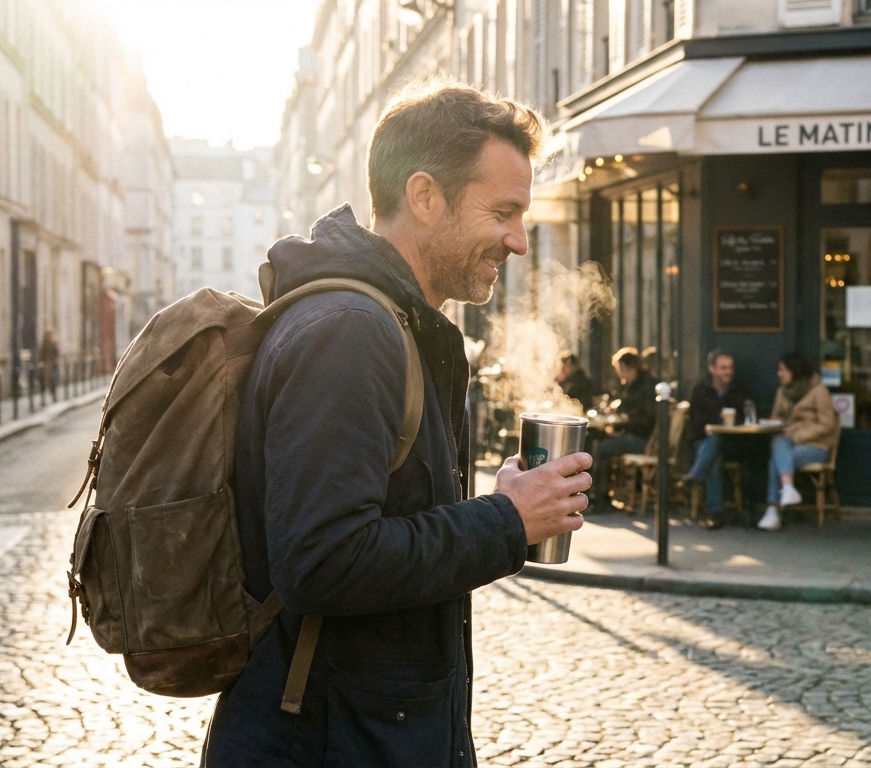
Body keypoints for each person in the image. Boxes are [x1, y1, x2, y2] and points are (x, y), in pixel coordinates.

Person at [203, 80, 591, 767]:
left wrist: (502, 509)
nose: (518, 241)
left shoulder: (397, 326)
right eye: (503, 212)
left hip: (361, 734)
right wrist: (505, 522)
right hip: (327, 742)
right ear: (424, 196)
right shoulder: (353, 332)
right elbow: (324, 561)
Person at [758, 352, 839, 532]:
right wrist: (775, 423)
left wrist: (796, 435)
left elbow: (827, 425)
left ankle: (773, 511)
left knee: (776, 461)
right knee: (779, 444)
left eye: (782, 370)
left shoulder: (819, 391)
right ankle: (787, 489)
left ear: (795, 371)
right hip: (788, 444)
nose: (779, 374)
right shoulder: (782, 392)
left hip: (816, 446)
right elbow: (776, 417)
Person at [682, 349, 750, 528]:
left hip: (733, 443)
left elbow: (747, 415)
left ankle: (696, 475)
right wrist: (715, 422)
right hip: (702, 443)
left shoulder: (739, 388)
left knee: (716, 445)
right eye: (723, 368)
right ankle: (714, 513)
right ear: (712, 369)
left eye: (730, 368)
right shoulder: (700, 390)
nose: (728, 372)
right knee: (714, 453)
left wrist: (728, 419)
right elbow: (695, 423)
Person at [589, 348, 656, 510]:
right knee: (593, 437)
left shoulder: (645, 387)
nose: (620, 376)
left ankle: (600, 498)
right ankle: (593, 494)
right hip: (635, 435)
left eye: (620, 371)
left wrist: (623, 421)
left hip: (643, 441)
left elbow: (645, 420)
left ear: (629, 368)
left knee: (601, 448)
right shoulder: (635, 385)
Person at [38, 329, 60, 396]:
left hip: (52, 363)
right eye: (48, 335)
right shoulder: (44, 344)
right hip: (46, 363)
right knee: (43, 378)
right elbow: (41, 353)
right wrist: (41, 361)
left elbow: (56, 352)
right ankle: (43, 392)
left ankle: (53, 392)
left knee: (52, 378)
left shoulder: (54, 344)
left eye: (50, 335)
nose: (49, 336)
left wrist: (56, 360)